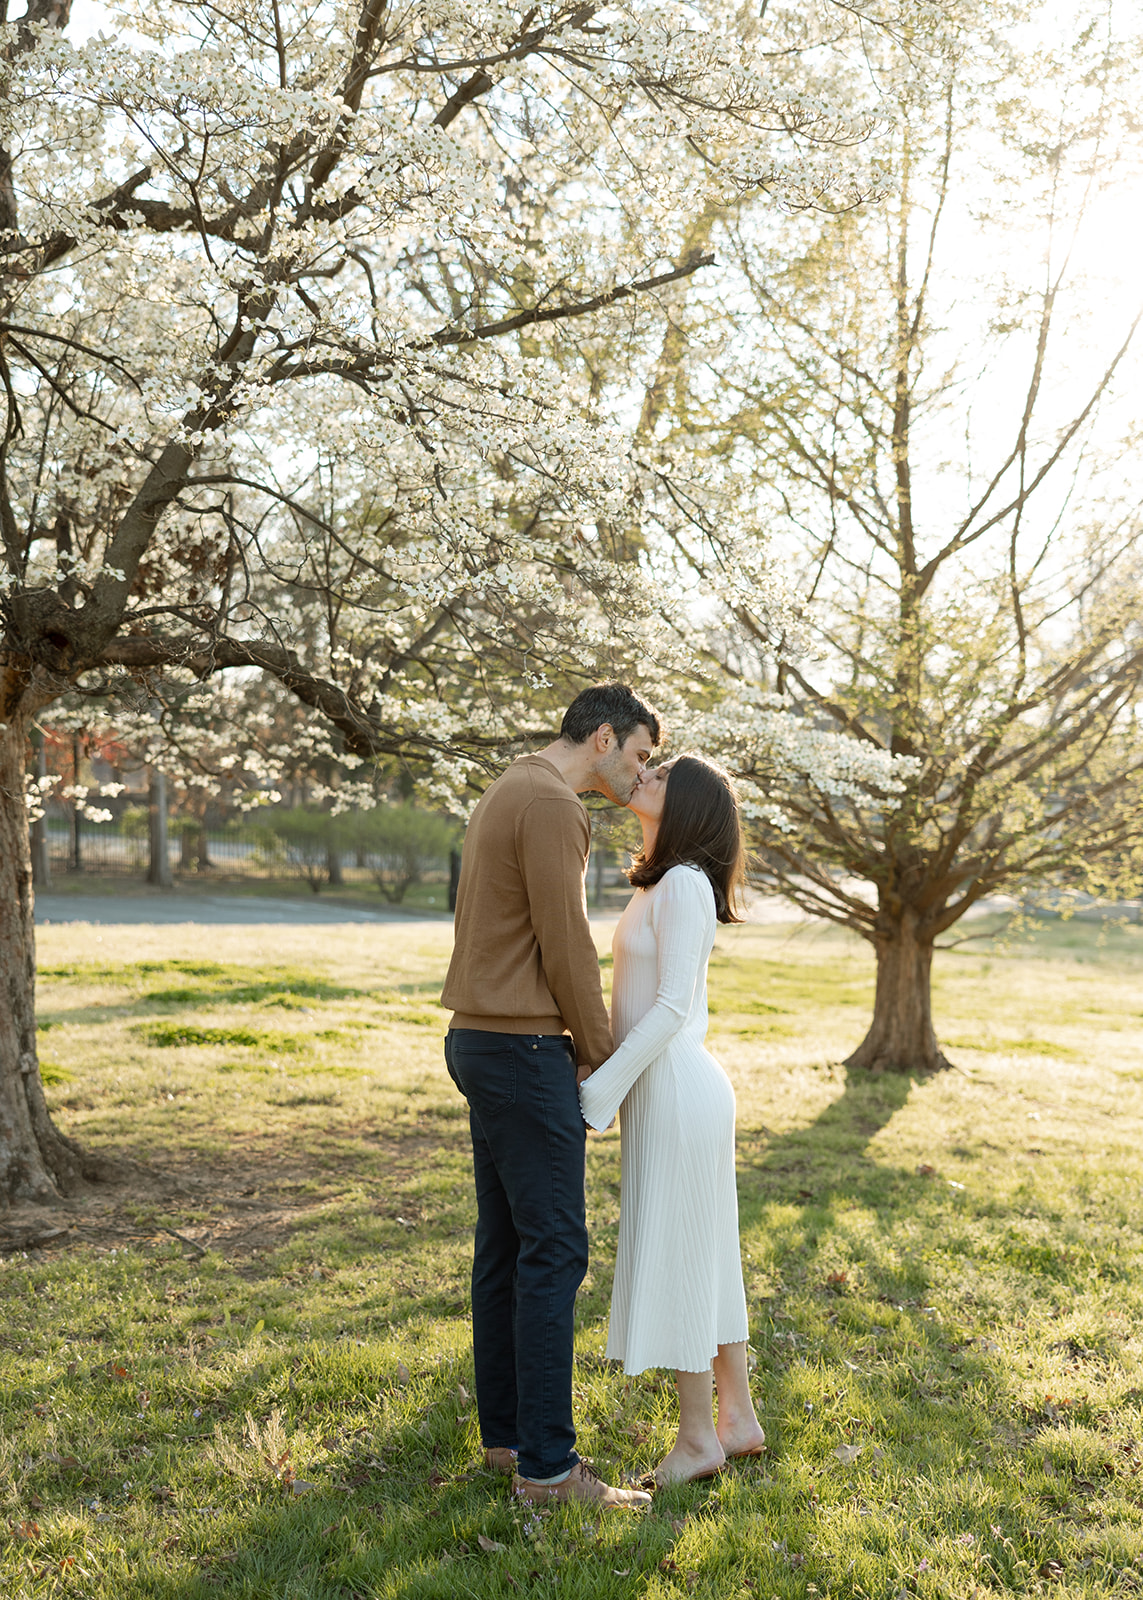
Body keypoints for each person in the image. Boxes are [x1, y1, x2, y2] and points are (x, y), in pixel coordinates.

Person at [441, 683, 660, 1508]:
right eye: (637, 755)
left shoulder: (512, 784)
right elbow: (565, 943)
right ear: (601, 737)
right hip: (521, 1047)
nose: (640, 775)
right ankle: (549, 1470)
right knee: (556, 1250)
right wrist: (600, 1059)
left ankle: (508, 1442)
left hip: (481, 1039)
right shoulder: (550, 804)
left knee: (506, 1246)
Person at [579, 755, 766, 1485]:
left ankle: (696, 1442)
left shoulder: (684, 884)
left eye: (658, 775)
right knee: (706, 1254)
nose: (642, 777)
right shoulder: (661, 882)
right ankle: (737, 1419)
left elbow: (671, 1010)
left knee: (686, 1258)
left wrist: (600, 1092)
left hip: (678, 1093)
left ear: (684, 804)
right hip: (660, 1093)